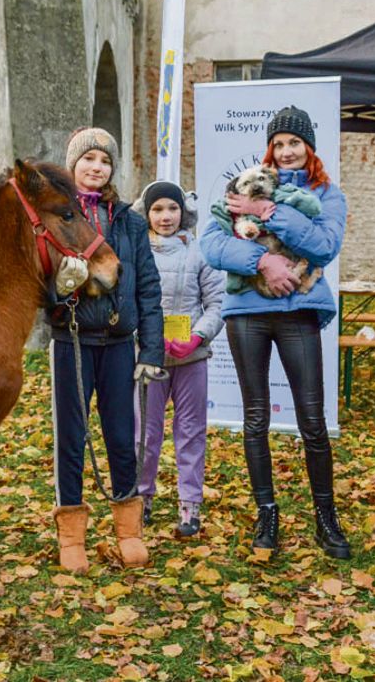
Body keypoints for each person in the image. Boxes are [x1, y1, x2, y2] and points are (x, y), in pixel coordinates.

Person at [200, 105, 350, 559]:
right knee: (256, 418)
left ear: (308, 148)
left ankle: (326, 516)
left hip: (298, 311)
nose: (286, 152)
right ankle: (267, 514)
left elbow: (325, 245)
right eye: (279, 144)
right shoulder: (241, 186)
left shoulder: (325, 193)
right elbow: (211, 243)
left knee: (312, 420)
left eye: (294, 143)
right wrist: (261, 260)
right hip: (247, 312)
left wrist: (267, 211)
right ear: (271, 148)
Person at [48, 127, 165, 573]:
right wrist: (60, 295)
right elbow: (41, 281)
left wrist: (151, 350)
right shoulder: (58, 217)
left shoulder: (130, 222)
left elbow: (149, 288)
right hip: (72, 341)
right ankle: (71, 534)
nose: (96, 168)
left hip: (120, 344)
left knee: (121, 437)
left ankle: (128, 530)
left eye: (104, 162)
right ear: (73, 164)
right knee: (71, 439)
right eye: (88, 160)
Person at [132, 181, 224, 537]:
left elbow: (217, 303)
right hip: (148, 360)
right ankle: (142, 499)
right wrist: (146, 341)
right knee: (145, 433)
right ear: (147, 213)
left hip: (191, 359)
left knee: (190, 431)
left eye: (172, 209)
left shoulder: (200, 253)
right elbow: (132, 305)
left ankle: (189, 505)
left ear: (183, 212)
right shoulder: (138, 253)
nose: (166, 216)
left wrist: (198, 336)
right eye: (158, 210)